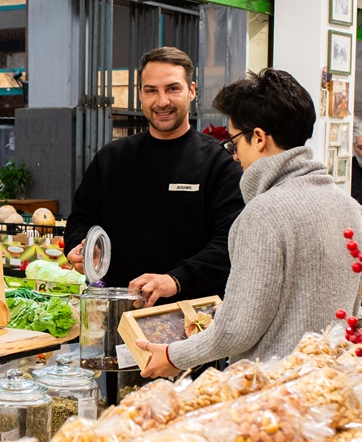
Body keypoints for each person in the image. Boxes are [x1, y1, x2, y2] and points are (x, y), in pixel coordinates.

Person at [135, 68, 362, 378]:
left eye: (234, 143)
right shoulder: (349, 207)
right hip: (332, 385)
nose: (234, 156)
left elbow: (238, 331)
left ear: (258, 138)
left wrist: (174, 355)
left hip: (272, 395)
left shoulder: (263, 213)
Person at [65, 47, 245, 307]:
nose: (162, 101)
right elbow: (81, 219)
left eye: (173, 88)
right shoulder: (112, 158)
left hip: (193, 319)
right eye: (151, 90)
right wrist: (79, 247)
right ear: (140, 94)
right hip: (118, 313)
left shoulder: (219, 163)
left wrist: (175, 280)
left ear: (192, 91)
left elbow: (230, 240)